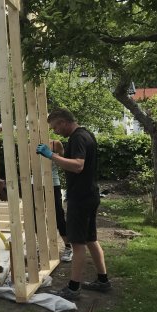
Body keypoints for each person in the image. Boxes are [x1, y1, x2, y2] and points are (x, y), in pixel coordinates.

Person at [37, 108, 111, 301]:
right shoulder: (87, 134)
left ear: (63, 122)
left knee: (77, 243)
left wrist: (51, 156)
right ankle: (103, 281)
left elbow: (78, 165)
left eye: (55, 127)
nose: (56, 132)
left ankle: (73, 288)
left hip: (81, 198)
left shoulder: (78, 138)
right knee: (90, 239)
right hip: (89, 194)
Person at [50, 139, 73, 262]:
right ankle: (41, 247)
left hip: (53, 183)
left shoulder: (55, 144)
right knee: (36, 215)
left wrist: (51, 155)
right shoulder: (29, 145)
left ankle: (68, 247)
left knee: (58, 214)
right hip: (36, 183)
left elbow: (65, 163)